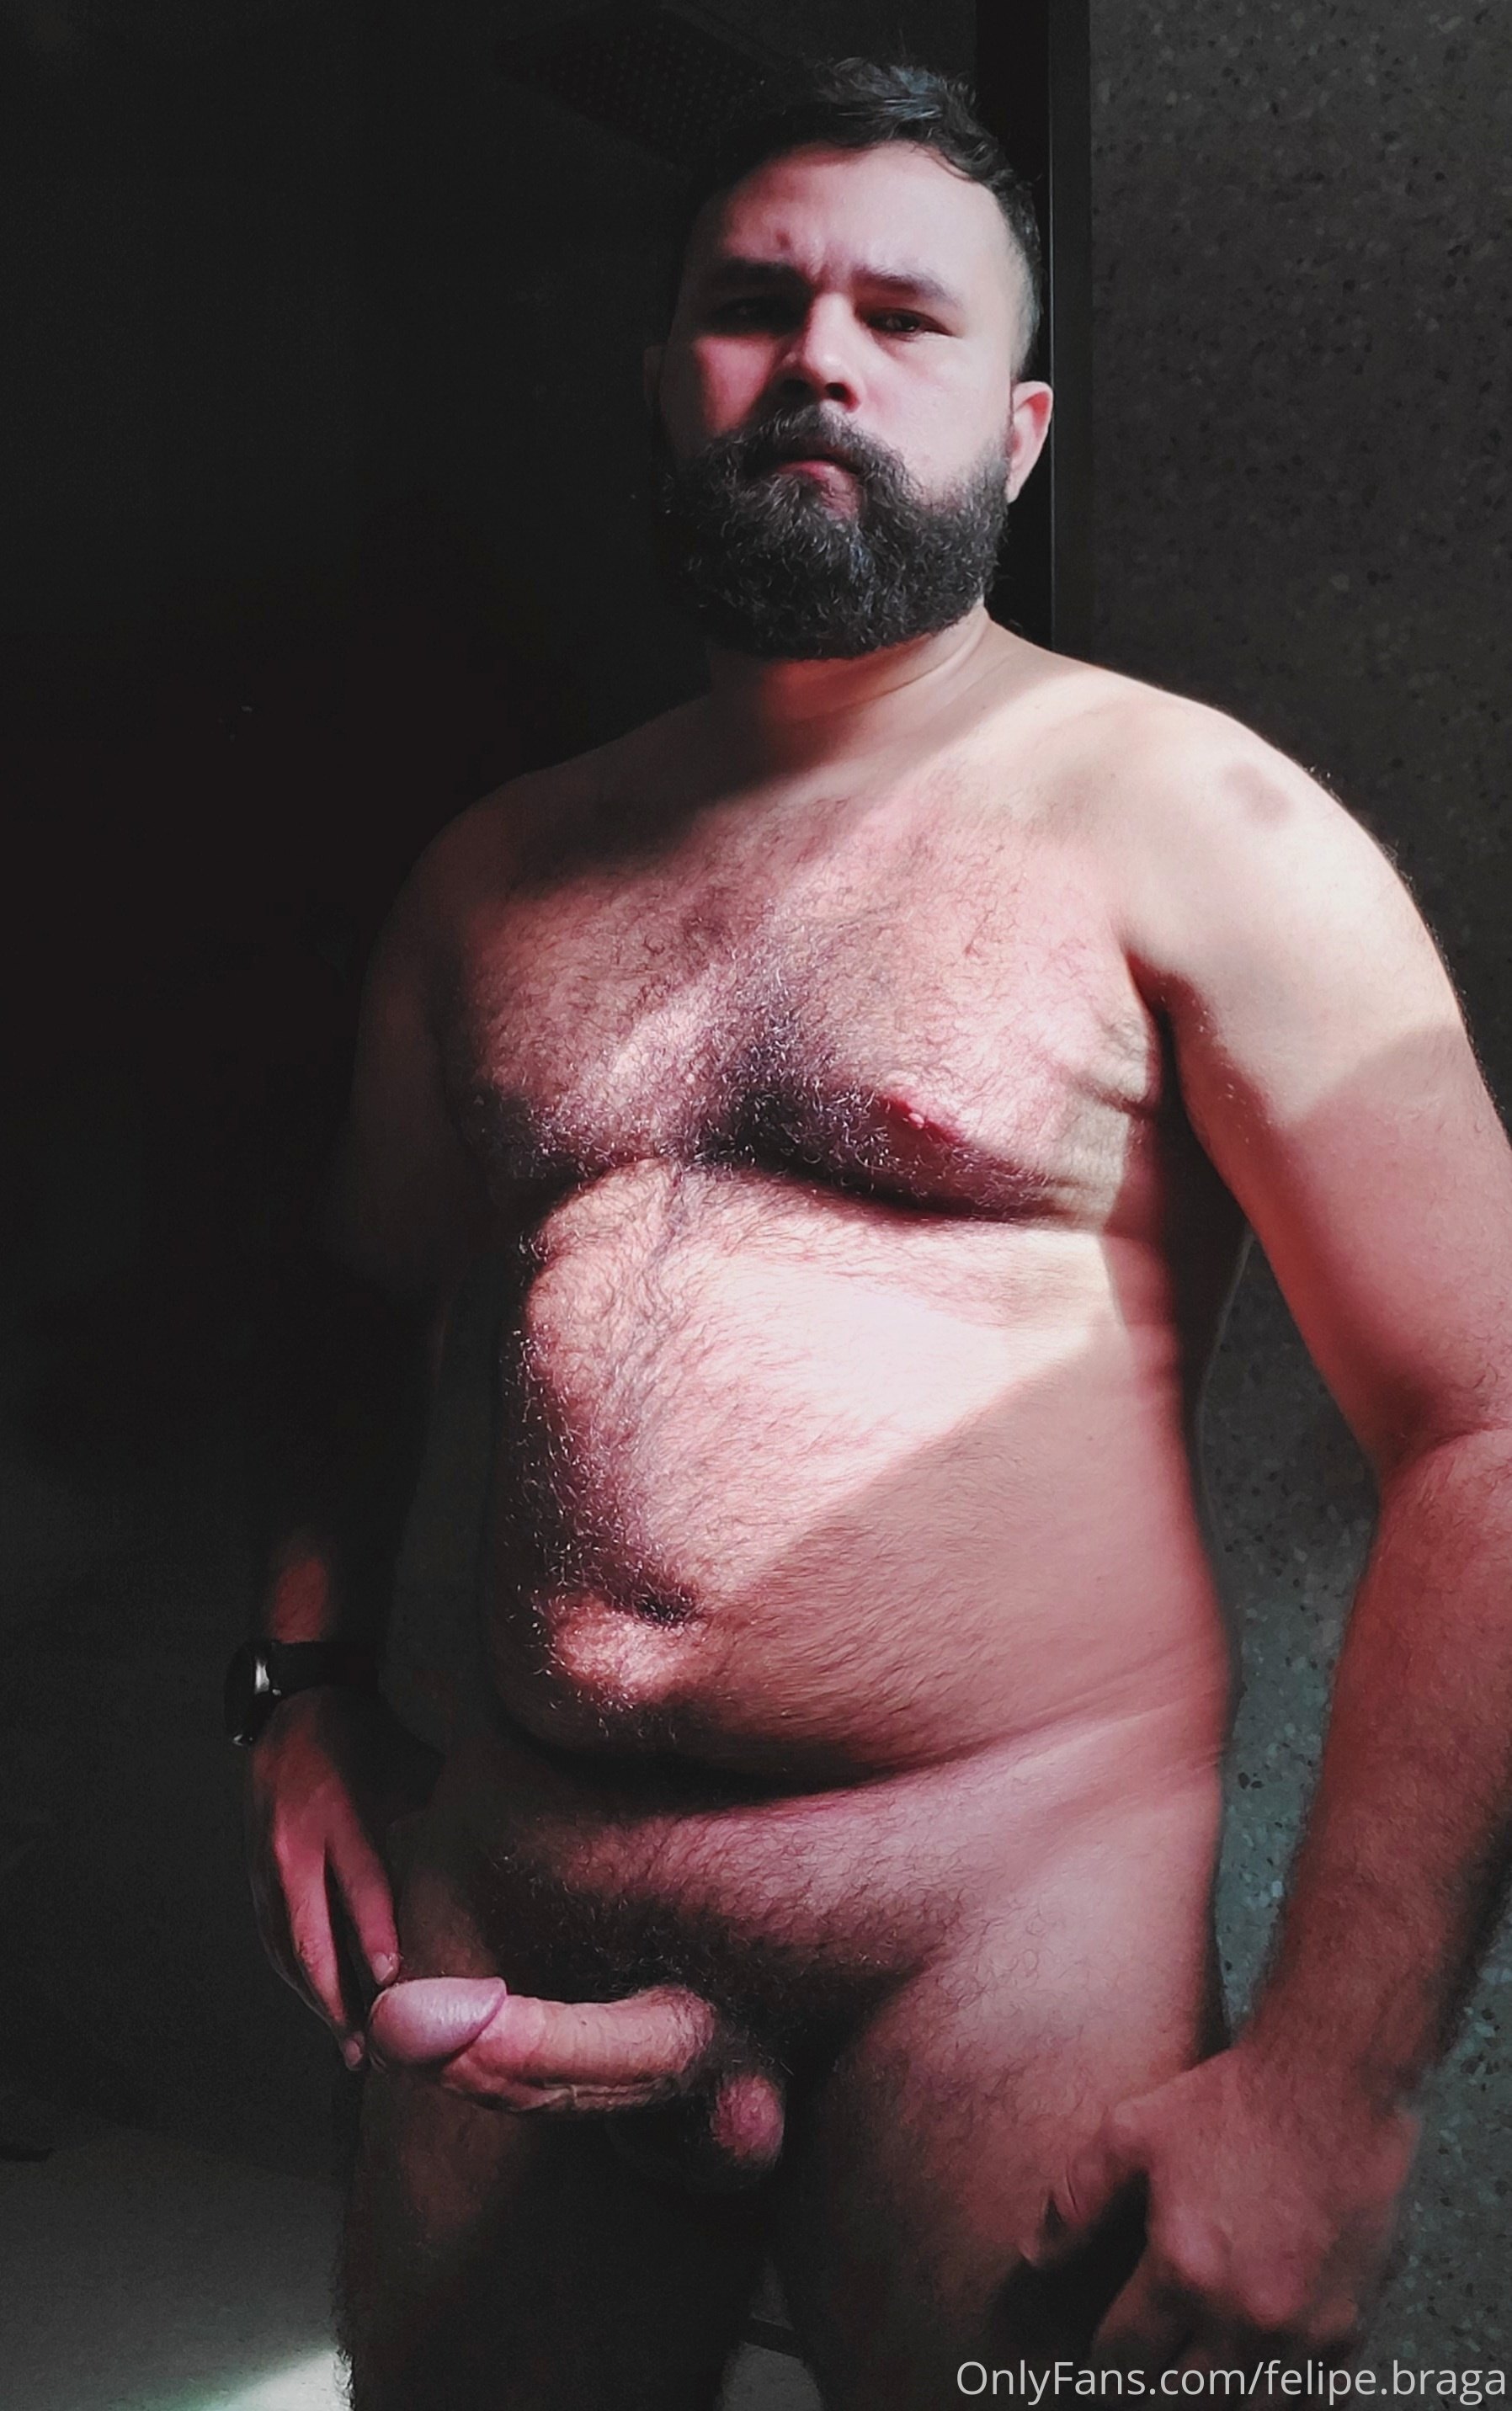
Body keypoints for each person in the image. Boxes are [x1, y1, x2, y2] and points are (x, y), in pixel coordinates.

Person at [235, 58, 1512, 2408]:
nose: (820, 358)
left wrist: (1336, 2089)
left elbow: (1488, 1427)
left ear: (1017, 436)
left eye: (905, 319)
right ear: (667, 380)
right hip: (529, 1891)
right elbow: (358, 1303)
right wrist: (299, 1694)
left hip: (1003, 1938)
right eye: (757, 303)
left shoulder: (1200, 824)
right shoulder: (492, 878)